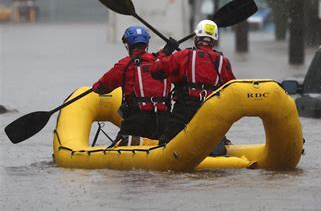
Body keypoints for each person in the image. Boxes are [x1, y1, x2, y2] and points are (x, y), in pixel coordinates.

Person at [151, 19, 235, 155]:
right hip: (211, 109)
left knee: (165, 144)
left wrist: (165, 52)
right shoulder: (223, 61)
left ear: (196, 38)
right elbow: (232, 90)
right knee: (214, 139)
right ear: (214, 40)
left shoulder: (184, 55)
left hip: (185, 109)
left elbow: (156, 71)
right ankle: (220, 146)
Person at [92, 25, 176, 146]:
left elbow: (100, 87)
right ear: (146, 43)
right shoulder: (162, 61)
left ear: (128, 45)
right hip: (164, 120)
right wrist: (167, 51)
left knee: (117, 146)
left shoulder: (125, 64)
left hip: (137, 121)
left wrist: (96, 87)